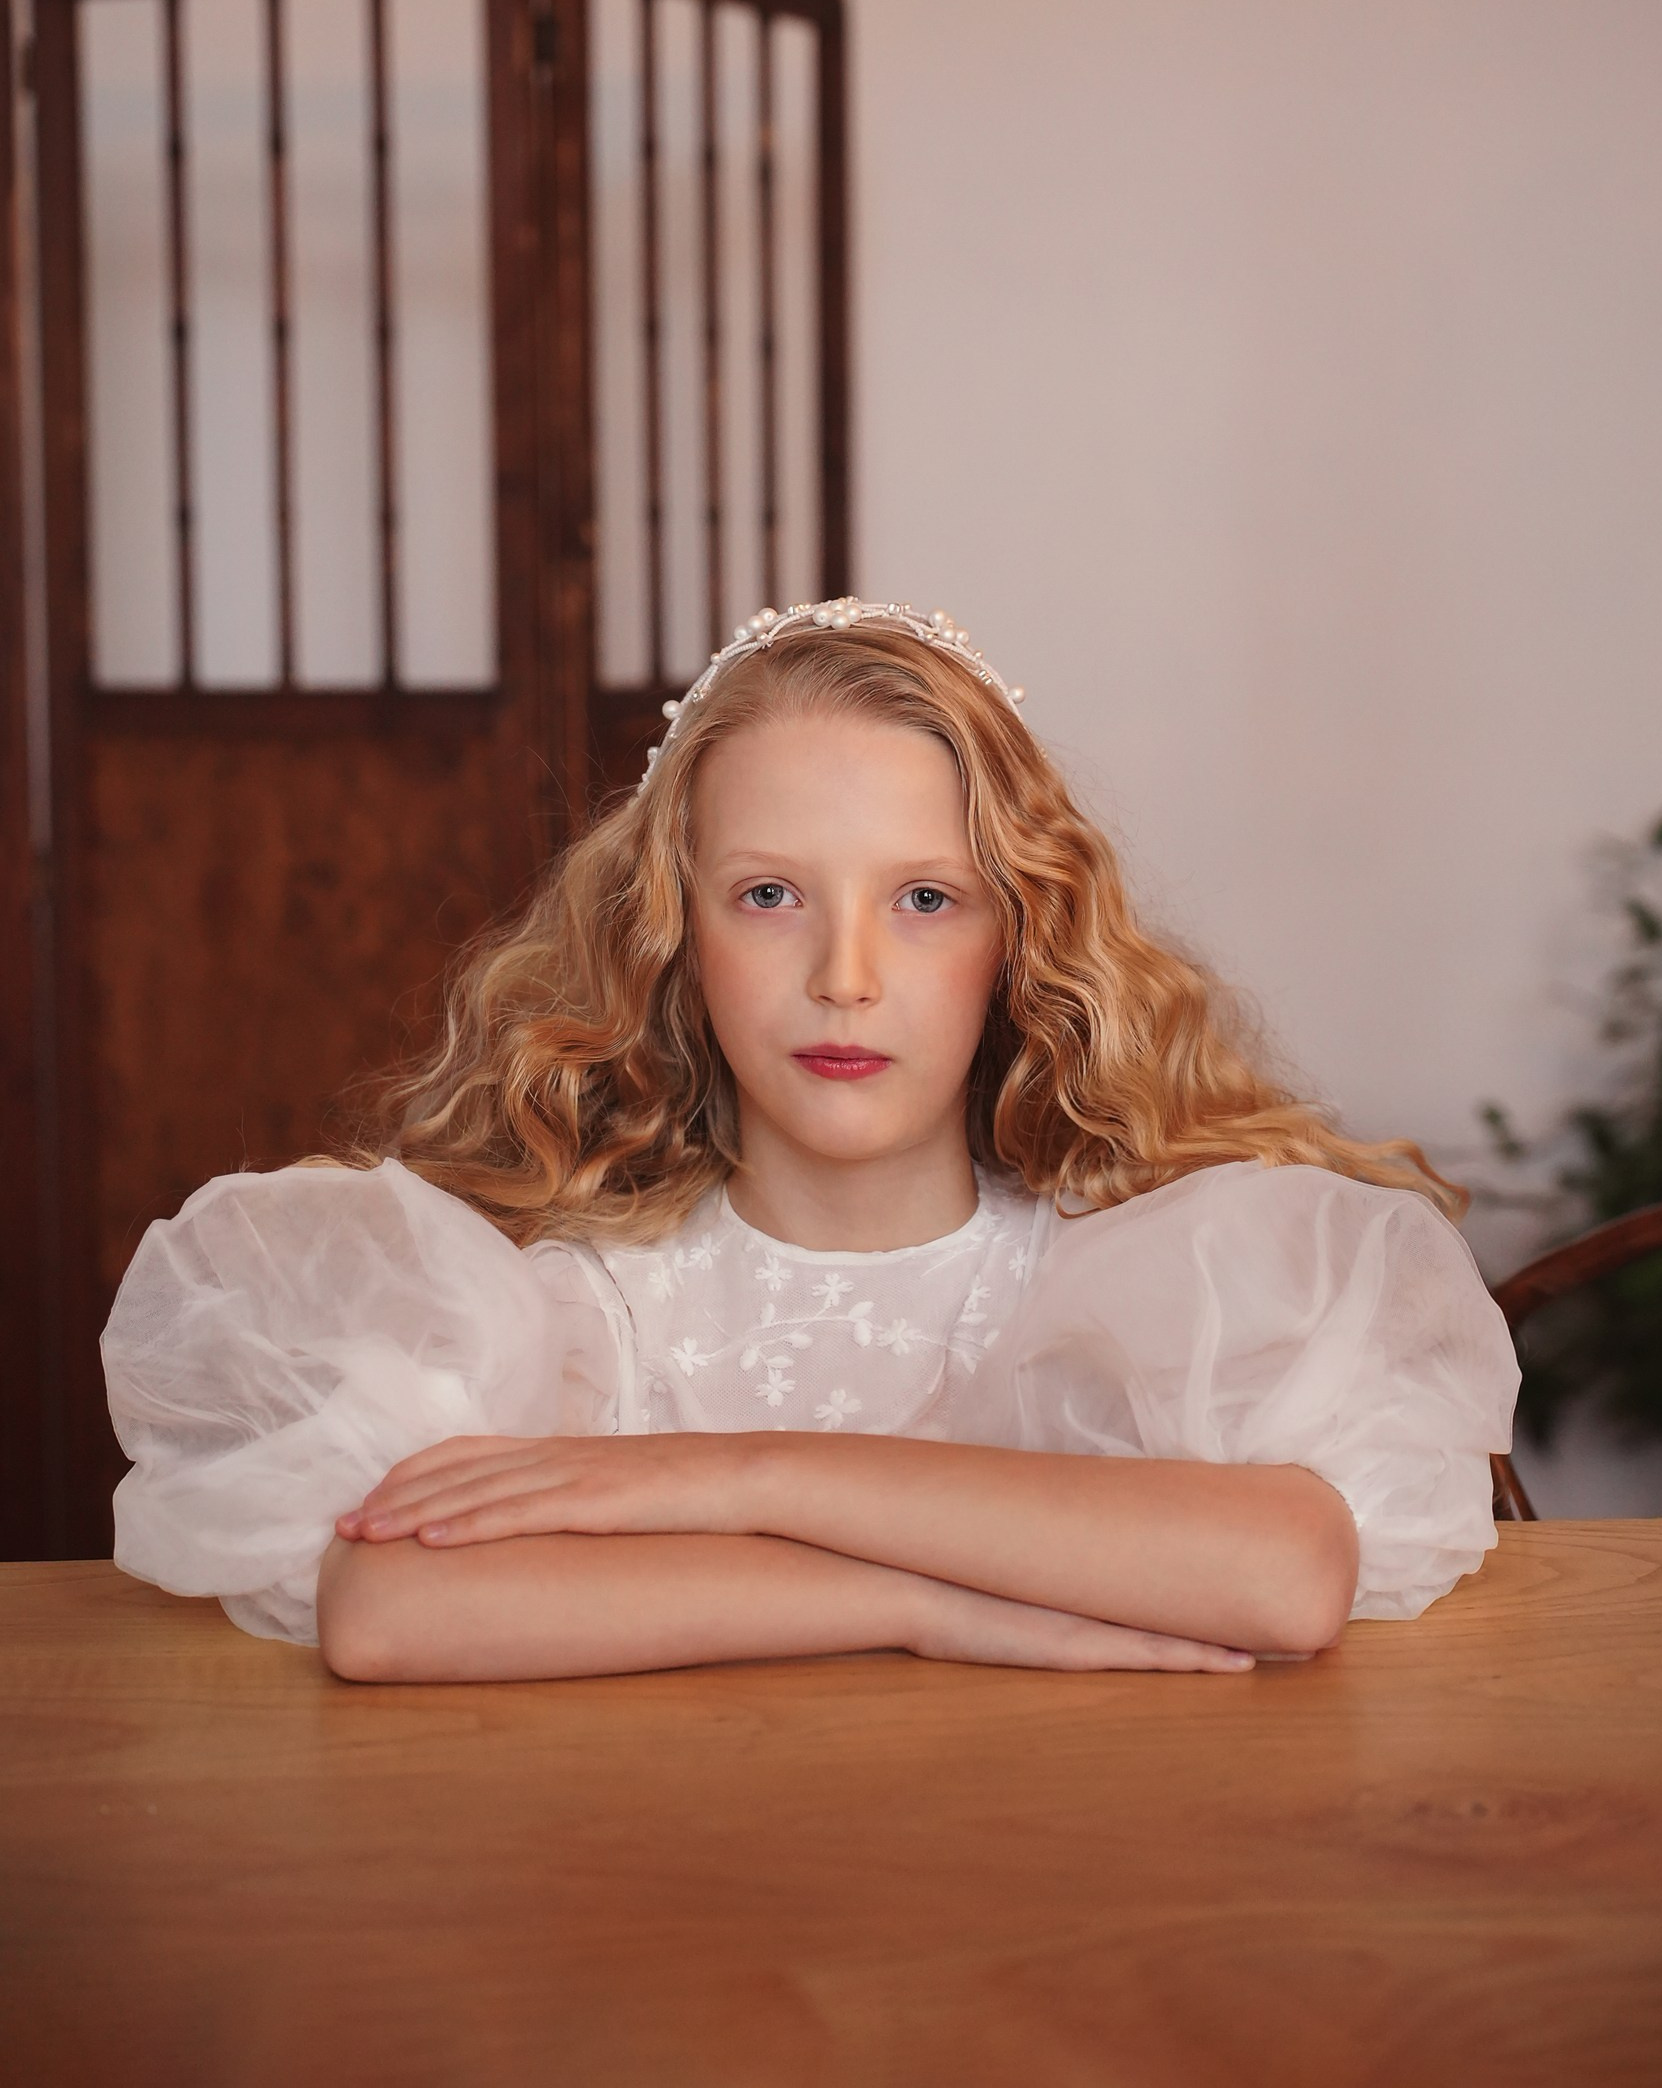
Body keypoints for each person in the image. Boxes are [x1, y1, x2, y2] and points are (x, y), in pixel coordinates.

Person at [101, 599, 1520, 1683]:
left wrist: (738, 1476)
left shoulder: (1139, 1284)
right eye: (771, 895)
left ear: (1021, 939)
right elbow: (383, 1610)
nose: (846, 976)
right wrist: (923, 1603)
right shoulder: (577, 1312)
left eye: (924, 901)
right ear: (673, 936)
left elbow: (1287, 1577)